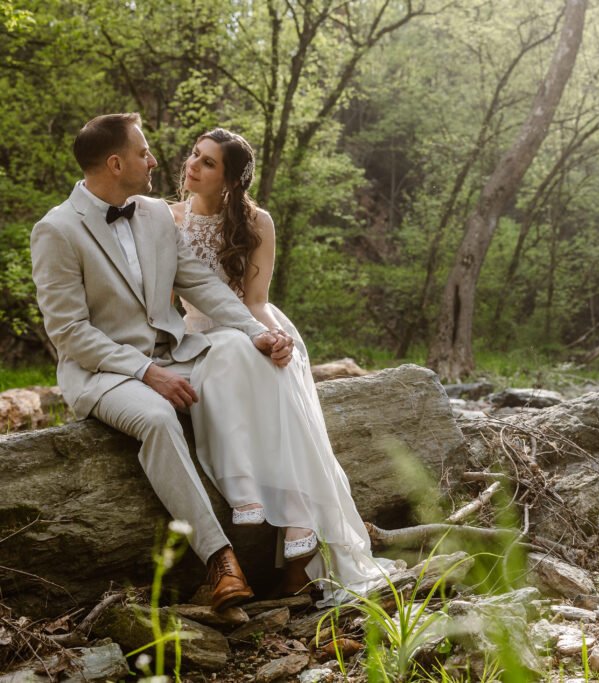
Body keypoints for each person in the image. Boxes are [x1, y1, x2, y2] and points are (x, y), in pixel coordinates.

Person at [30, 113, 296, 610]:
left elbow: (201, 283)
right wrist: (146, 373)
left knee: (242, 359)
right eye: (143, 152)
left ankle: (288, 527)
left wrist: (257, 333)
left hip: (174, 353)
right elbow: (68, 332)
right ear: (115, 163)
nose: (154, 160)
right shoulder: (57, 230)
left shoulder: (153, 213)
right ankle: (220, 560)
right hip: (104, 373)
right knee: (157, 417)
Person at [168, 128, 389, 603]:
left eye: (207, 163)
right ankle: (258, 498)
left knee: (273, 366)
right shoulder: (166, 220)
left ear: (228, 181)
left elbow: (256, 301)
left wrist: (276, 338)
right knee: (229, 354)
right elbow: (163, 303)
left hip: (247, 323)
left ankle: (300, 537)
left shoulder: (257, 222)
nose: (192, 165)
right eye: (194, 155)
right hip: (195, 335)